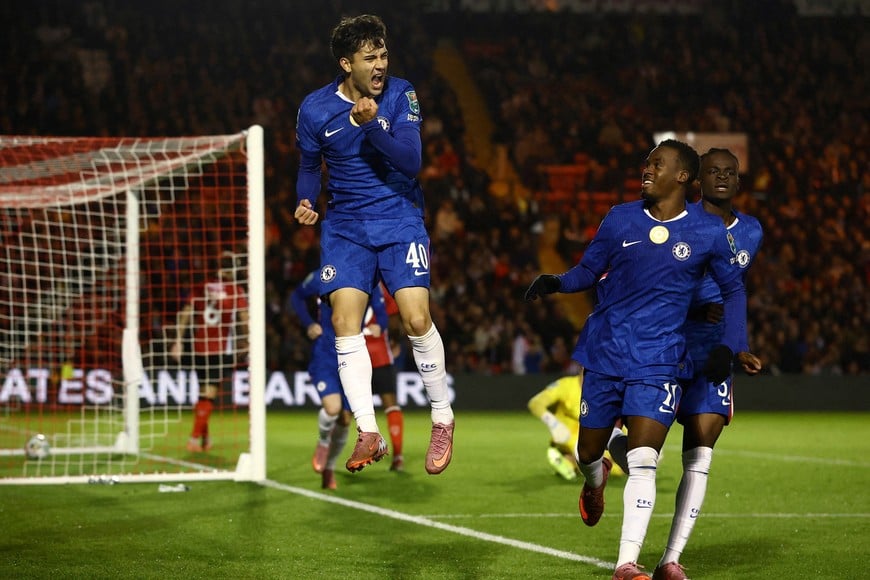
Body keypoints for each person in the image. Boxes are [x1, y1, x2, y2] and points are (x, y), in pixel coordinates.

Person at [524, 139, 754, 580]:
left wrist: (729, 344)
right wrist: (556, 282)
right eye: (647, 163)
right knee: (589, 451)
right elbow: (588, 271)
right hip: (606, 351)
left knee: (644, 457)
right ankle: (595, 483)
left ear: (683, 176)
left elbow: (734, 290)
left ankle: (625, 563)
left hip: (661, 359)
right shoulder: (619, 217)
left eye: (657, 164)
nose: (646, 169)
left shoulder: (707, 232)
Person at [294, 14, 454, 475]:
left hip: (400, 218)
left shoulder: (402, 94)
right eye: (370, 57)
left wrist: (370, 126)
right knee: (344, 323)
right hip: (345, 228)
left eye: (384, 54)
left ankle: (442, 416)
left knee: (415, 317)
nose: (381, 64)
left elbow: (410, 162)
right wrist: (305, 198)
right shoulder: (314, 109)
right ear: (347, 63)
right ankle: (368, 430)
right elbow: (309, 165)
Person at [607, 148, 762, 580]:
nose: (722, 178)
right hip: (665, 349)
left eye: (730, 172)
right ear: (696, 179)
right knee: (643, 452)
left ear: (738, 180)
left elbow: (737, 291)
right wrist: (694, 310)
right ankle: (610, 454)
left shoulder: (751, 230)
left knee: (700, 455)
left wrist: (736, 346)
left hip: (714, 358)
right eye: (713, 171)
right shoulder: (676, 222)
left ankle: (670, 560)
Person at [290, 271, 396, 488]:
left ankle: (329, 468)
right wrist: (309, 323)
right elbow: (296, 296)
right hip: (325, 353)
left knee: (345, 420)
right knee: (332, 408)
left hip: (351, 355)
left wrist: (380, 326)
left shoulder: (368, 279)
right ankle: (322, 443)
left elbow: (381, 313)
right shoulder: (325, 273)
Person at [171, 252, 249, 453]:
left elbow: (185, 313)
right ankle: (194, 439)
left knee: (203, 394)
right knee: (209, 395)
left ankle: (205, 439)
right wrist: (249, 342)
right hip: (222, 349)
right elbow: (244, 318)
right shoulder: (235, 290)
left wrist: (178, 341)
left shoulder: (202, 287)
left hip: (199, 347)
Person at [527, 374, 626, 481]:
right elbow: (536, 403)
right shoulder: (566, 385)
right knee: (602, 460)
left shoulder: (605, 390)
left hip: (595, 436)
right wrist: (554, 424)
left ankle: (569, 462)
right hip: (568, 436)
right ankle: (570, 458)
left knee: (620, 465)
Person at [365, 282, 406, 472]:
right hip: (379, 351)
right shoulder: (382, 285)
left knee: (351, 408)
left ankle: (368, 450)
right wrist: (395, 339)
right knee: (390, 402)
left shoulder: (348, 277)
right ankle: (397, 455)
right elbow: (394, 317)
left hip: (355, 353)